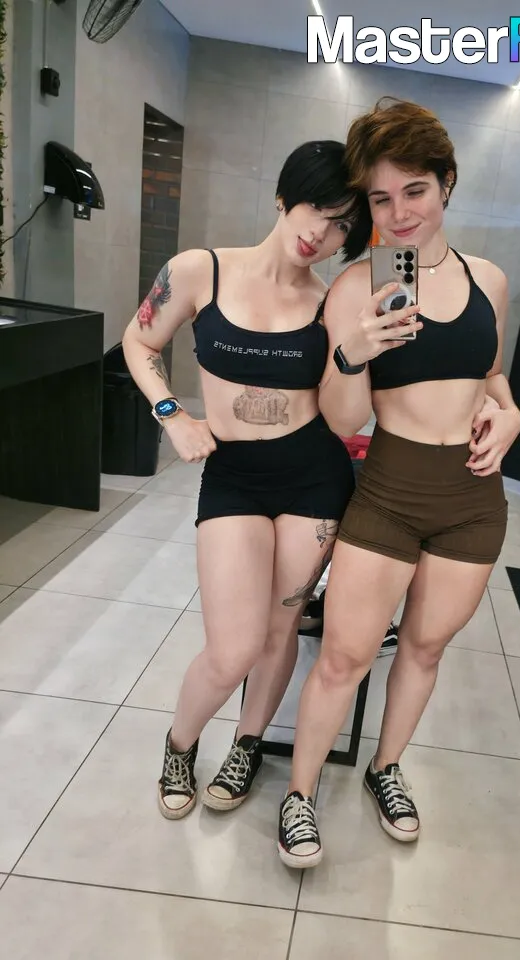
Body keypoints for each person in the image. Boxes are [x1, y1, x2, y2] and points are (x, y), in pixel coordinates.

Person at [277, 98, 520, 869]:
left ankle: (386, 768)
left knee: (424, 649)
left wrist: (511, 412)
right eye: (381, 199)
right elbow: (342, 416)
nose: (400, 213)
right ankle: (300, 794)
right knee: (346, 655)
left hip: (473, 499)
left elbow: (490, 373)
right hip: (388, 490)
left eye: (414, 190)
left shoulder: (489, 280)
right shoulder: (363, 284)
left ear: (446, 182)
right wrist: (353, 352)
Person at [121, 140, 374, 820]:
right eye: (318, 209)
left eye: (343, 226)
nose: (321, 233)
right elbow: (138, 342)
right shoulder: (199, 270)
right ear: (285, 197)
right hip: (233, 475)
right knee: (232, 647)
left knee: (278, 630)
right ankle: (180, 744)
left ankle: (248, 743)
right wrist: (172, 415)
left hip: (314, 478)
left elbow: (346, 407)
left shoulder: (329, 303)